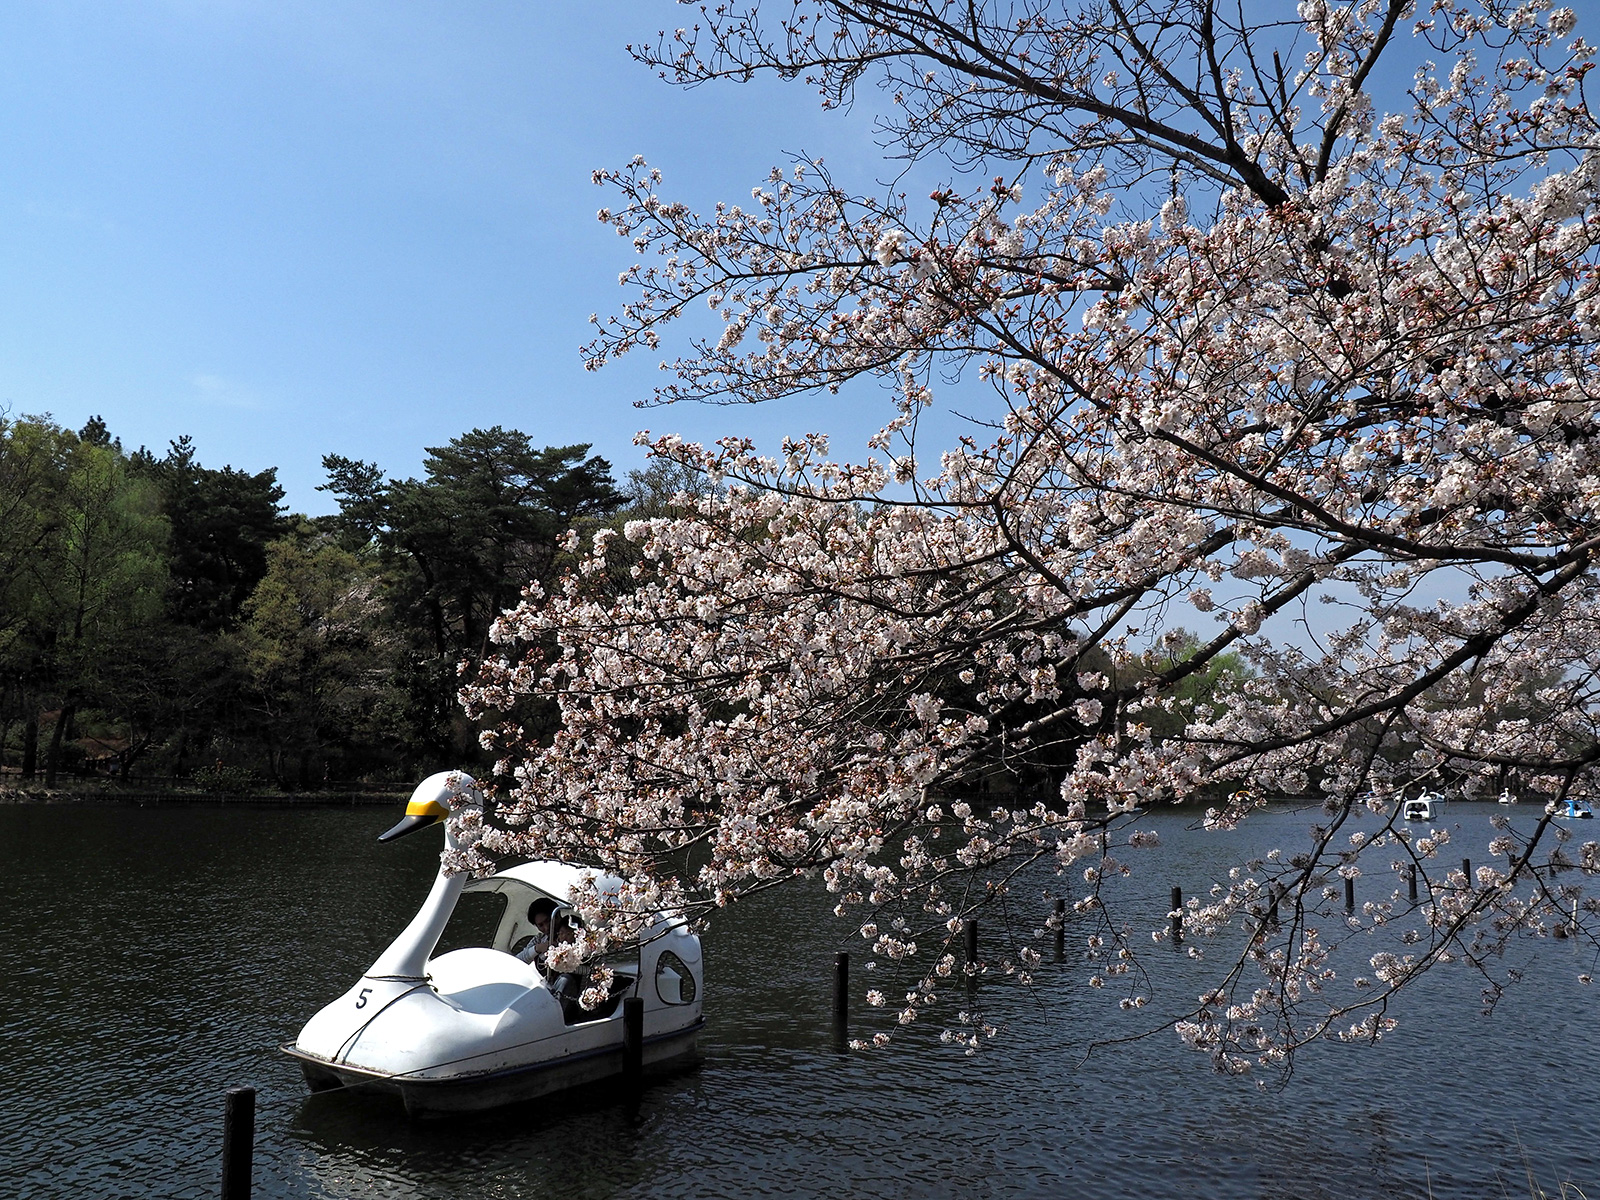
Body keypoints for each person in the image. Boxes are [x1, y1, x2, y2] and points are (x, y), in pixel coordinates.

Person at [513, 898, 557, 966]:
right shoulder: (540, 939)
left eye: (548, 921)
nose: (546, 927)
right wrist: (537, 948)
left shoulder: (573, 933)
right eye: (541, 925)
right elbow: (517, 962)